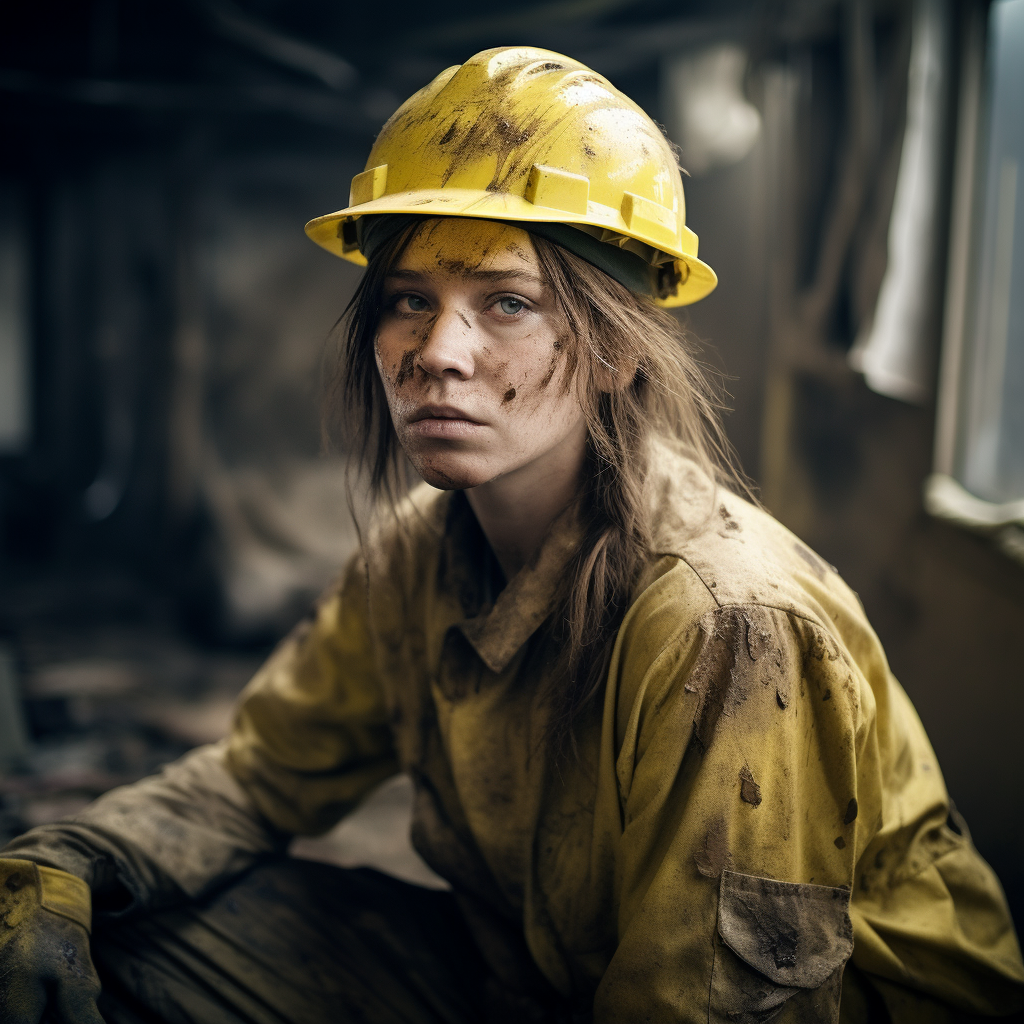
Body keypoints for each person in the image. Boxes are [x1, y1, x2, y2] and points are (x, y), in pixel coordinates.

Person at [0, 45, 1021, 1024]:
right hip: (532, 974)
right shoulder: (420, 551)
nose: (438, 351)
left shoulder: (724, 625)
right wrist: (65, 862)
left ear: (618, 348)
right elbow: (259, 772)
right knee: (110, 950)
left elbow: (707, 1006)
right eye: (409, 299)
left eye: (507, 302)